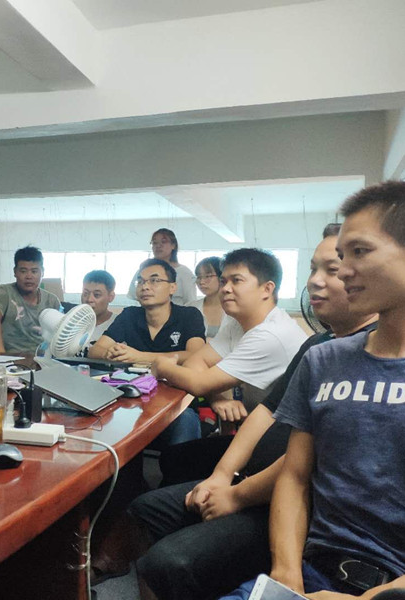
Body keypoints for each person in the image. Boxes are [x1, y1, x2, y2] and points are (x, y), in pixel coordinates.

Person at [222, 180, 405, 600]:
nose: (343, 271)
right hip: (313, 575)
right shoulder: (323, 360)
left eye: (360, 252)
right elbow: (295, 476)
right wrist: (286, 574)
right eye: (342, 256)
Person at [129, 224, 378, 600]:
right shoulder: (319, 344)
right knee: (145, 507)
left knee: (170, 561)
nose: (314, 281)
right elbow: (267, 409)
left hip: (283, 499)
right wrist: (221, 476)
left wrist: (237, 494)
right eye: (313, 269)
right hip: (250, 473)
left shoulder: (365, 354)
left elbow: (306, 462)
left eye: (332, 268)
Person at [152, 248, 307, 423]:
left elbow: (199, 383)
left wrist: (162, 366)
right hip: (256, 424)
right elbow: (195, 363)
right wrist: (218, 398)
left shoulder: (271, 334)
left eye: (236, 280)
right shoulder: (236, 323)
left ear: (267, 289)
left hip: (285, 433)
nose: (225, 288)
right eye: (223, 281)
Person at [90, 259, 205, 365]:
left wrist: (140, 357)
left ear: (172, 287)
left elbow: (196, 355)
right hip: (133, 380)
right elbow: (94, 351)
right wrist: (110, 353)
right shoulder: (129, 315)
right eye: (140, 281)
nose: (144, 287)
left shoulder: (189, 315)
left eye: (154, 280)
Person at [0, 246, 61, 355]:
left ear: (42, 272)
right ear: (15, 272)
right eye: (23, 271)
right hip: (9, 359)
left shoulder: (52, 301)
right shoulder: (4, 292)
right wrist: (0, 356)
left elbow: (60, 335)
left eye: (34, 271)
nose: (29, 276)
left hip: (43, 360)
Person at [128, 228, 197, 306]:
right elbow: (133, 296)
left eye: (163, 242)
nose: (158, 246)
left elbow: (191, 301)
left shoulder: (184, 272)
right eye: (154, 243)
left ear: (173, 245)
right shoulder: (143, 270)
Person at [187, 256, 227, 339]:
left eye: (208, 276)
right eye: (199, 277)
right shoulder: (190, 308)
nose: (201, 282)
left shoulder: (234, 308)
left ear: (221, 277)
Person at [81, 269, 118, 344]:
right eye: (85, 293)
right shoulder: (73, 324)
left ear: (111, 297)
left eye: (97, 295)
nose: (89, 299)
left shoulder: (119, 324)